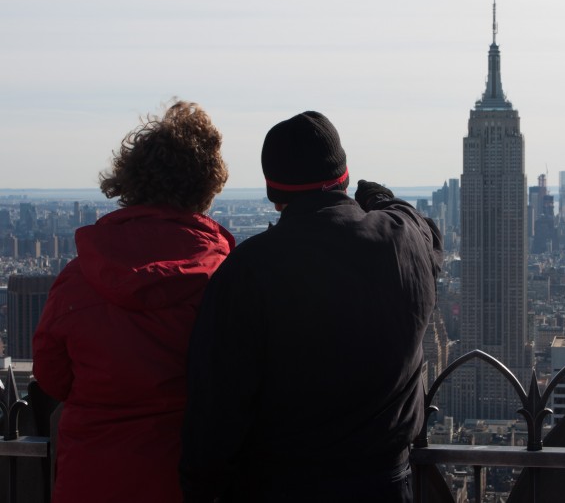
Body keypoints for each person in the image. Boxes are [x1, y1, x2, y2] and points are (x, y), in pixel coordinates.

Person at [179, 110, 443, 502]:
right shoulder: (403, 241)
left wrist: (202, 488)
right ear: (344, 177)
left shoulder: (247, 270)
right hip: (386, 484)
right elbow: (423, 228)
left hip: (283, 486)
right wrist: (379, 198)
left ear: (275, 196)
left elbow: (216, 409)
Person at [32, 101, 235, 503]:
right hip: (185, 478)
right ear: (207, 186)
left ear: (130, 181)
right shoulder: (226, 279)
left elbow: (52, 377)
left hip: (90, 479)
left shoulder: (78, 276)